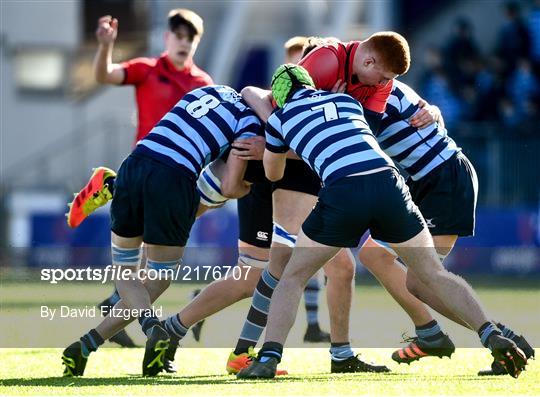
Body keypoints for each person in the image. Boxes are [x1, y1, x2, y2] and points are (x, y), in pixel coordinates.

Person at [236, 64, 528, 380]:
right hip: (391, 184)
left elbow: (273, 173)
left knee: (292, 276)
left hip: (348, 188)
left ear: (278, 97)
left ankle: (267, 358)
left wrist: (276, 148)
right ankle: (489, 333)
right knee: (430, 273)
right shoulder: (349, 101)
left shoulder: (280, 119)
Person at [61, 85, 262, 377]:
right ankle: (153, 327)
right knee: (157, 278)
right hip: (174, 181)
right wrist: (246, 189)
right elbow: (230, 185)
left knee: (126, 276)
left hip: (135, 164)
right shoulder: (250, 121)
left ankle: (83, 347)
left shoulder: (209, 89)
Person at [66, 9, 213, 348]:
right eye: (177, 34)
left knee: (149, 266)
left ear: (197, 42)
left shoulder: (203, 84)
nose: (183, 42)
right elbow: (104, 76)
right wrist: (106, 46)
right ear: (166, 38)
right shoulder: (148, 69)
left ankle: (116, 306)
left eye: (190, 37)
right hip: (144, 172)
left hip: (179, 179)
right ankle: (111, 186)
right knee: (156, 267)